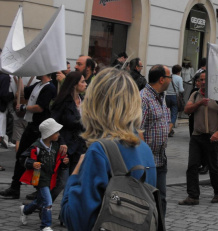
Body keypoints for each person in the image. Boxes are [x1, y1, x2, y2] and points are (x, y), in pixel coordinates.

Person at [60, 68, 156, 231]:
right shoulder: (145, 149)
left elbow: (75, 220)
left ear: (95, 103)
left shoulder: (100, 150)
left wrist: (75, 174)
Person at [0, 74, 58, 199]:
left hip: (40, 129)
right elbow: (21, 93)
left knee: (39, 158)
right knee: (22, 155)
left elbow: (40, 108)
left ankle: (39, 189)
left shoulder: (49, 88)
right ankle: (15, 187)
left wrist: (23, 107)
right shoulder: (38, 85)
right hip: (32, 126)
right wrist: (19, 75)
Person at [178, 71, 218, 205]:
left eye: (206, 80)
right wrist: (199, 103)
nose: (203, 82)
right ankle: (193, 196)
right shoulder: (195, 95)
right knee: (192, 166)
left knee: (213, 166)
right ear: (197, 82)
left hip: (212, 137)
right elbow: (187, 110)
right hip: (197, 136)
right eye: (201, 80)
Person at [19, 118, 69, 231]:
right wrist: (32, 163)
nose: (59, 134)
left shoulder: (55, 147)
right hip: (39, 178)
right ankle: (45, 225)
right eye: (56, 132)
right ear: (49, 134)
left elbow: (59, 162)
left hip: (49, 178)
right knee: (48, 201)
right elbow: (23, 158)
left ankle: (25, 210)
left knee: (42, 200)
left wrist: (65, 163)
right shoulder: (36, 147)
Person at [140, 65, 171, 217]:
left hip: (160, 158)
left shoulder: (160, 97)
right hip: (147, 162)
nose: (171, 80)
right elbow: (138, 129)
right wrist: (143, 157)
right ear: (161, 79)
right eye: (169, 77)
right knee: (146, 200)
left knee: (161, 199)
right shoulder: (144, 98)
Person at [50, 71, 87, 175]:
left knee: (75, 178)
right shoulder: (62, 102)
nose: (86, 84)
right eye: (83, 82)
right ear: (75, 84)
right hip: (65, 146)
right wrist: (61, 141)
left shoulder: (84, 102)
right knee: (61, 181)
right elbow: (53, 123)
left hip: (80, 147)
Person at [165, 64, 184, 137]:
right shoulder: (179, 78)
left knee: (167, 113)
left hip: (167, 96)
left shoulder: (169, 77)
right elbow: (181, 90)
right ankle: (169, 130)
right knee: (174, 114)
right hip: (175, 97)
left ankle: (168, 127)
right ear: (179, 71)